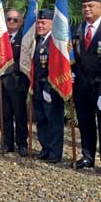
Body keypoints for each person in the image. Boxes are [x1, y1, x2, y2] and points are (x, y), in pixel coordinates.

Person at [72, 0, 101, 174]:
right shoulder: (78, 29)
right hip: (82, 86)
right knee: (85, 122)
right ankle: (87, 156)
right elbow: (74, 56)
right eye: (84, 6)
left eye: (91, 6)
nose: (87, 9)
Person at [32, 9, 65, 163]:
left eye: (44, 23)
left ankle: (55, 153)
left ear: (52, 24)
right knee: (41, 120)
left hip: (51, 89)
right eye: (39, 22)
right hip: (38, 88)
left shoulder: (55, 42)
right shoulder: (38, 41)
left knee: (54, 122)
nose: (40, 25)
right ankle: (45, 148)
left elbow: (56, 68)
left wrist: (48, 88)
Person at [0, 8, 29, 156]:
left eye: (15, 20)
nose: (11, 22)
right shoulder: (0, 37)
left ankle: (22, 143)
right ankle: (8, 143)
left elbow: (24, 60)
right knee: (5, 115)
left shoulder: (25, 38)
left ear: (21, 22)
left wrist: (6, 69)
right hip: (2, 83)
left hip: (18, 81)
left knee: (19, 115)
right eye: (9, 19)